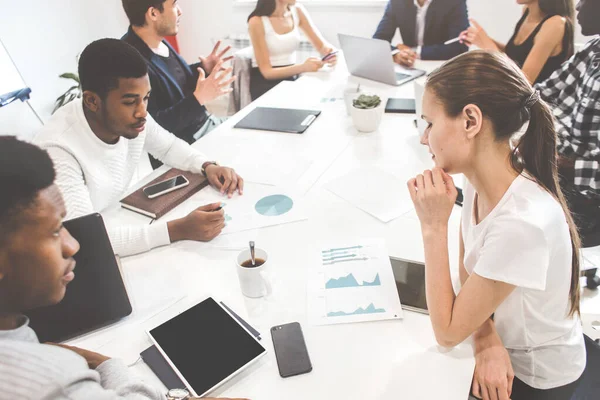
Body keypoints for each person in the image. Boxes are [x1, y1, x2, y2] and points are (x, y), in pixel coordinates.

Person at [0, 137, 249, 400]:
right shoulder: (55, 381)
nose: (72, 245)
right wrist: (107, 365)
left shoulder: (21, 338)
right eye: (53, 232)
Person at [408, 51, 585, 399]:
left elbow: (446, 332)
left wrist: (433, 227)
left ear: (470, 121)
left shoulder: (521, 224)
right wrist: (485, 334)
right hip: (505, 341)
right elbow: (468, 271)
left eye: (429, 123)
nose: (423, 138)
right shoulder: (481, 177)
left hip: (538, 377)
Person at [34, 39, 244, 258]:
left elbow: (168, 147)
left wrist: (206, 165)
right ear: (92, 101)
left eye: (146, 98)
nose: (142, 111)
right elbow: (88, 238)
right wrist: (178, 229)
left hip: (114, 220)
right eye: (130, 102)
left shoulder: (133, 117)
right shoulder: (57, 151)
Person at [121, 0, 234, 168]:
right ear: (153, 13)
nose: (180, 11)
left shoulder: (157, 41)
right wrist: (197, 99)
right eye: (174, 5)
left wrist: (203, 68)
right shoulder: (131, 63)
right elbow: (154, 128)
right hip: (187, 147)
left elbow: (170, 82)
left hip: (204, 126)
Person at [536, 0, 600, 288]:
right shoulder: (593, 49)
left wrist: (558, 162)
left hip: (590, 197)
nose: (577, 6)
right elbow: (541, 93)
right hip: (560, 164)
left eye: (586, 0)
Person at [459, 0, 574, 84]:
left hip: (538, 105)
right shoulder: (527, 12)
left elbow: (523, 82)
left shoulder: (555, 24)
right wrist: (481, 39)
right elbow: (517, 56)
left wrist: (487, 45)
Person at [247, 0, 337, 101]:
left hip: (291, 77)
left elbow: (322, 46)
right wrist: (303, 67)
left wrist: (330, 52)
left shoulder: (297, 11)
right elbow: (267, 72)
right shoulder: (256, 21)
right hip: (265, 85)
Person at [372, 0, 469, 68]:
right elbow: (378, 41)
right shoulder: (396, 2)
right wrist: (396, 53)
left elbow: (459, 47)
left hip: (442, 67)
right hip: (410, 67)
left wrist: (413, 51)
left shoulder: (455, 2)